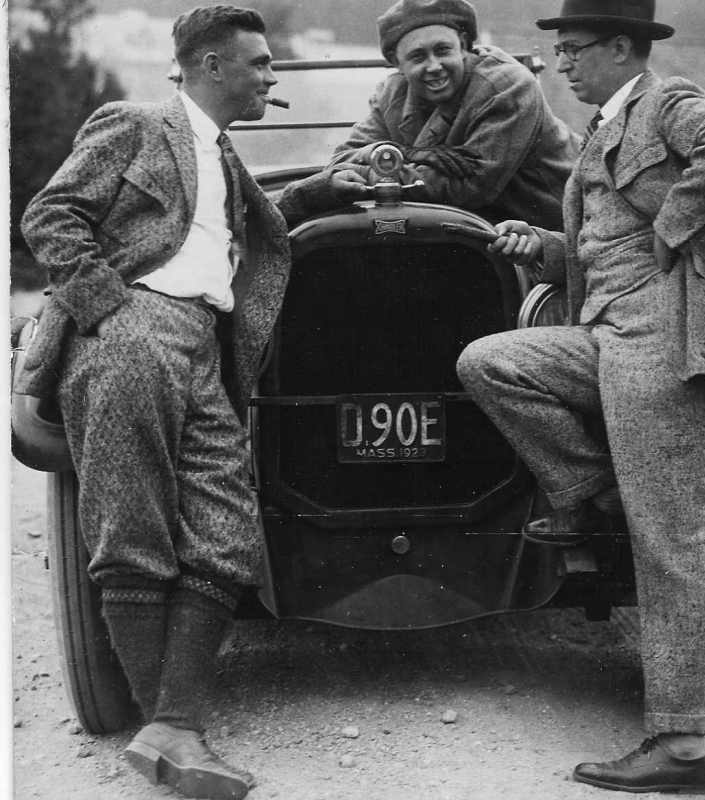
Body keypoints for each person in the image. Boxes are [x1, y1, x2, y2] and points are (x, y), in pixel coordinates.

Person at [18, 6, 367, 800]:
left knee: (227, 527)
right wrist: (109, 307)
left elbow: (259, 222)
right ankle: (173, 722)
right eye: (261, 65)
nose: (272, 79)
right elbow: (50, 214)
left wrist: (327, 186)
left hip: (204, 346)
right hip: (132, 328)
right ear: (211, 66)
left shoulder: (221, 153)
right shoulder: (137, 124)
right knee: (132, 523)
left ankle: (170, 727)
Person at [456, 0, 705, 793]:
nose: (560, 63)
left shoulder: (665, 103)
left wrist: (675, 224)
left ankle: (681, 746)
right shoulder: (606, 123)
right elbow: (607, 249)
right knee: (492, 363)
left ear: (623, 47)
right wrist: (546, 248)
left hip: (665, 344)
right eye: (559, 50)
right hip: (607, 337)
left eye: (574, 48)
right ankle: (593, 496)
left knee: (670, 543)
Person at [328, 0, 580, 229]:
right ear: (396, 62)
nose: (434, 66)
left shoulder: (506, 86)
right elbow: (340, 160)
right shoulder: (391, 93)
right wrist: (396, 151)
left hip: (546, 232)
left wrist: (375, 168)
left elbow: (469, 187)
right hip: (467, 229)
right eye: (417, 56)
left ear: (463, 45)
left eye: (443, 50)